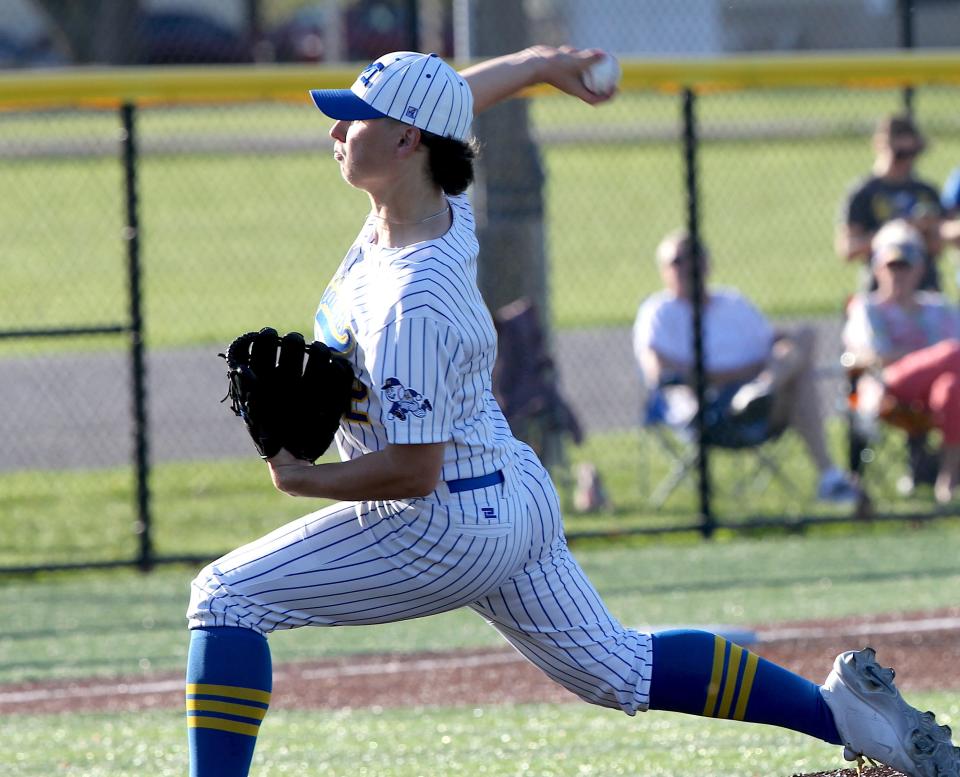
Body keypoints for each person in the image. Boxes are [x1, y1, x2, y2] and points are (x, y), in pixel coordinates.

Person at [184, 48, 959, 777]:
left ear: (406, 140)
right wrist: (542, 66)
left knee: (227, 595)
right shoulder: (426, 206)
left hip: (439, 522)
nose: (336, 130)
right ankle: (848, 717)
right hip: (510, 491)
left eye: (354, 117)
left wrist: (304, 477)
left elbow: (413, 471)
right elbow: (460, 96)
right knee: (621, 667)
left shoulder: (413, 297)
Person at [633, 230, 861, 504]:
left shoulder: (733, 302)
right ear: (663, 270)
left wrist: (773, 363)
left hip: (763, 399)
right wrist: (732, 376)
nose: (687, 266)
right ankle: (830, 476)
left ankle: (761, 391)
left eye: (693, 256)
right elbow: (658, 372)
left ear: (707, 263)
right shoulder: (659, 312)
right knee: (798, 377)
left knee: (804, 338)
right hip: (709, 409)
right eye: (677, 261)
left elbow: (774, 343)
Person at [843, 219, 960, 504]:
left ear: (920, 268)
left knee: (952, 388)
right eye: (891, 266)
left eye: (905, 266)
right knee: (952, 354)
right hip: (888, 387)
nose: (898, 274)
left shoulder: (939, 307)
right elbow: (874, 355)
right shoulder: (868, 308)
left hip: (930, 390)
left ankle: (947, 480)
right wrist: (930, 355)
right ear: (877, 269)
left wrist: (917, 355)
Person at [836, 113, 945, 291]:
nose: (907, 161)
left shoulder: (926, 191)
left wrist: (926, 230)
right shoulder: (863, 193)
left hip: (924, 290)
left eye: (913, 153)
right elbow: (847, 249)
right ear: (881, 146)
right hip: (881, 294)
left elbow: (937, 247)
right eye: (900, 154)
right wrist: (893, 233)